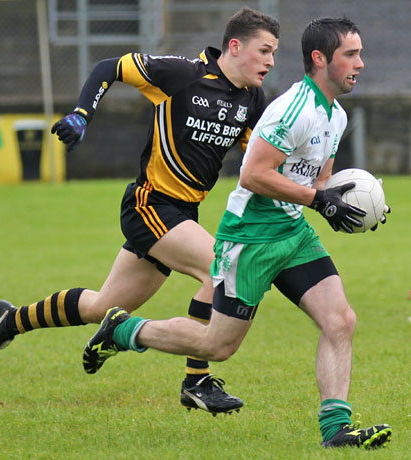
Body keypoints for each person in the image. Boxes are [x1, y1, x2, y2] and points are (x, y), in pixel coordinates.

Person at [80, 17, 392, 448]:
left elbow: (318, 184)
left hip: (293, 233)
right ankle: (124, 330)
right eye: (351, 55)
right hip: (251, 235)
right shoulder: (291, 110)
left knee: (340, 320)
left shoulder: (335, 116)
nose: (360, 63)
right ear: (321, 59)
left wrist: (350, 205)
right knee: (217, 345)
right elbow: (252, 175)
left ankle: (335, 429)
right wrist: (319, 201)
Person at [0, 8, 280, 415]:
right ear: (235, 46)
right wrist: (82, 115)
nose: (271, 62)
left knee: (101, 307)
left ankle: (9, 321)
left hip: (182, 216)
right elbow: (108, 67)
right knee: (219, 267)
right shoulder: (182, 75)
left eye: (274, 53)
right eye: (265, 51)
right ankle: (197, 381)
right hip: (150, 205)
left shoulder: (252, 100)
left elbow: (257, 158)